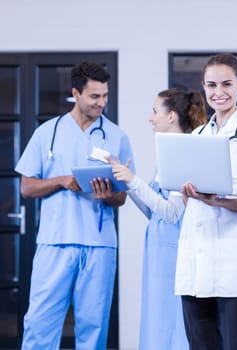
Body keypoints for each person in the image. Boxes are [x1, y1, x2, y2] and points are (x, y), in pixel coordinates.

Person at [15, 61, 135, 349]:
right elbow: (27, 187)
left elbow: (123, 196)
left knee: (94, 328)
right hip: (55, 243)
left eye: (105, 96)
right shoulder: (48, 133)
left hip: (99, 245)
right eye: (94, 96)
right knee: (40, 324)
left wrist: (108, 193)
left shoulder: (117, 136)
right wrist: (61, 181)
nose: (101, 103)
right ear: (75, 93)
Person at [175, 53, 237, 350]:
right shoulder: (196, 136)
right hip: (195, 263)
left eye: (227, 84)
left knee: (235, 346)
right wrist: (191, 196)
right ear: (203, 87)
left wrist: (216, 201)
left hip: (233, 264)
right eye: (211, 85)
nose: (218, 92)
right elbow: (185, 203)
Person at [111, 88, 207, 349]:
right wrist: (125, 181)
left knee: (173, 323)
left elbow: (171, 212)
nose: (150, 118)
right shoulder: (167, 154)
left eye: (155, 111)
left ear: (172, 116)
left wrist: (133, 180)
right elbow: (154, 212)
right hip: (161, 250)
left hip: (174, 252)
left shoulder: (184, 152)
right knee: (158, 321)